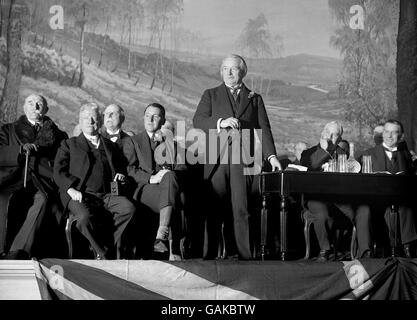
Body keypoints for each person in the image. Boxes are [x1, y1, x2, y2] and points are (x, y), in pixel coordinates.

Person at [193, 54, 282, 260]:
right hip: (217, 158)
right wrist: (221, 122)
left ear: (243, 72)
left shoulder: (255, 98)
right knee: (214, 209)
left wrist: (271, 157)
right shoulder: (211, 94)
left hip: (243, 160)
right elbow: (198, 121)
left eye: (233, 69)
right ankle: (209, 256)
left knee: (241, 208)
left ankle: (244, 256)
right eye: (225, 68)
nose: (228, 72)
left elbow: (264, 129)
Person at [53, 103, 135, 259]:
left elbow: (121, 170)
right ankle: (103, 254)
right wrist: (71, 190)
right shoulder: (69, 145)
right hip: (79, 194)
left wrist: (121, 177)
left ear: (100, 120)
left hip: (107, 195)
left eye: (94, 118)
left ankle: (104, 245)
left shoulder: (110, 146)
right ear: (80, 121)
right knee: (84, 218)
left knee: (128, 208)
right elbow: (58, 172)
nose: (90, 121)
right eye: (86, 118)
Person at [0, 94, 68, 259]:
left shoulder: (59, 136)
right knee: (3, 200)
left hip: (42, 181)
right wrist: (19, 150)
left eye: (39, 104)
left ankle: (18, 251)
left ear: (45, 109)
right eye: (30, 103)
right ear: (24, 107)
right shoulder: (7, 130)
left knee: (42, 201)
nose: (35, 107)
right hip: (12, 180)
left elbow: (62, 163)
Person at [123, 103, 186, 261]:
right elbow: (129, 169)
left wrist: (167, 175)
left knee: (171, 177)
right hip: (145, 190)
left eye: (156, 116)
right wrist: (152, 178)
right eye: (147, 115)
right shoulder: (133, 142)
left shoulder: (173, 145)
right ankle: (174, 250)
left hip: (167, 189)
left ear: (163, 120)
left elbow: (183, 168)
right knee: (175, 197)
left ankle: (162, 233)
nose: (150, 119)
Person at [300, 121, 372, 261]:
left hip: (340, 198)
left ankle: (365, 253)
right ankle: (325, 250)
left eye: (336, 135)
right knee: (321, 213)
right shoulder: (308, 153)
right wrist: (326, 151)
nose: (331, 136)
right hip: (316, 197)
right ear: (323, 133)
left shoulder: (342, 154)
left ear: (339, 139)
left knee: (363, 209)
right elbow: (313, 165)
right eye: (329, 133)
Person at [360, 120, 417, 258]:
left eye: (394, 132)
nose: (389, 136)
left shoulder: (406, 155)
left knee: (406, 206)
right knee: (385, 210)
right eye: (386, 132)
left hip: (402, 199)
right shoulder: (368, 153)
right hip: (377, 200)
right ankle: (389, 248)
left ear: (401, 136)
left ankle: (408, 247)